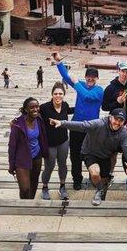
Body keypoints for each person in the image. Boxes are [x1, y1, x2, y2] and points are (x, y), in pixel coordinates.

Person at [50, 108, 127, 206]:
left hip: (105, 155)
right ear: (110, 117)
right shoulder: (99, 124)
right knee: (95, 173)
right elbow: (82, 125)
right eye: (116, 119)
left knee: (104, 180)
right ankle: (99, 190)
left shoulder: (123, 132)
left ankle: (101, 193)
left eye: (121, 120)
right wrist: (62, 123)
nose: (117, 122)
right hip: (90, 152)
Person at [52, 52, 104, 190]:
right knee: (75, 156)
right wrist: (58, 62)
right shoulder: (80, 84)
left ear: (97, 78)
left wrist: (76, 83)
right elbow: (66, 77)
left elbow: (86, 96)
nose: (90, 79)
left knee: (91, 155)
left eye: (93, 77)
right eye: (88, 76)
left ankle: (94, 177)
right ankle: (77, 180)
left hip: (91, 129)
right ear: (85, 76)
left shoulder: (99, 90)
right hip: (76, 127)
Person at [8, 97, 49, 199]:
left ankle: (30, 203)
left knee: (34, 183)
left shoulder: (39, 119)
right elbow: (12, 146)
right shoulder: (17, 125)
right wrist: (11, 165)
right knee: (25, 188)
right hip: (22, 159)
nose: (35, 109)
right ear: (26, 109)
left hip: (37, 156)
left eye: (37, 107)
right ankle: (23, 204)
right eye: (32, 108)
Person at [40, 82, 73, 200]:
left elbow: (71, 110)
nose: (58, 96)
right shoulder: (44, 107)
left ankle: (62, 186)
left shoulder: (65, 105)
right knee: (49, 166)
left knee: (63, 164)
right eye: (55, 94)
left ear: (64, 94)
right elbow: (32, 114)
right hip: (49, 143)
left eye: (60, 93)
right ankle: (44, 187)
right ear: (52, 95)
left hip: (63, 141)